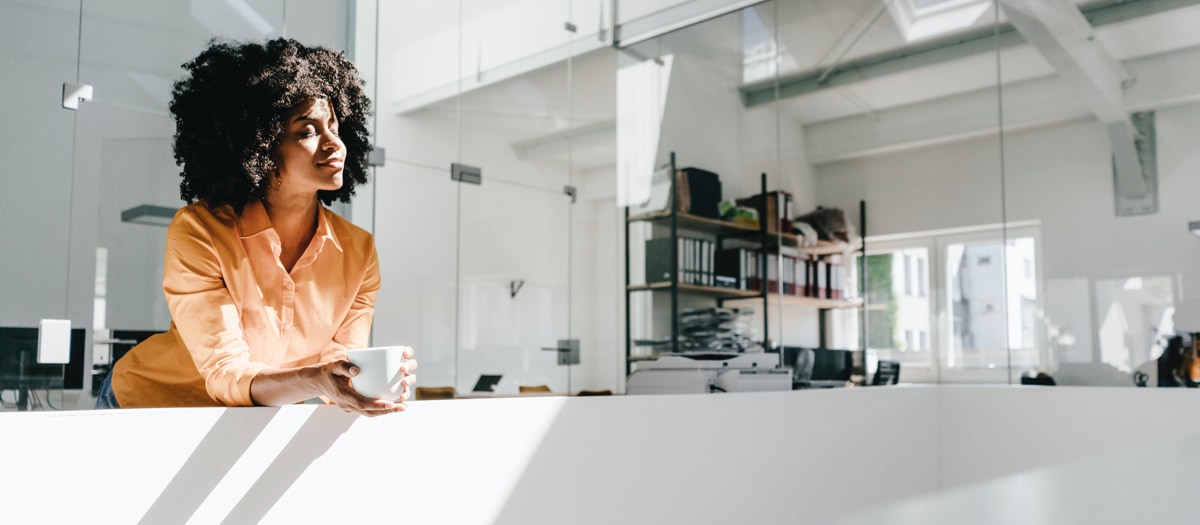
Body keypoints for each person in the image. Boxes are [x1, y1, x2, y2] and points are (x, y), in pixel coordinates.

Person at [96, 38, 415, 416]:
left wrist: (359, 381)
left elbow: (337, 367)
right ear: (260, 146)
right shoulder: (200, 231)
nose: (335, 144)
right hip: (149, 404)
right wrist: (317, 380)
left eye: (334, 125)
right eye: (307, 131)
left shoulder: (359, 252)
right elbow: (226, 372)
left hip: (247, 420)